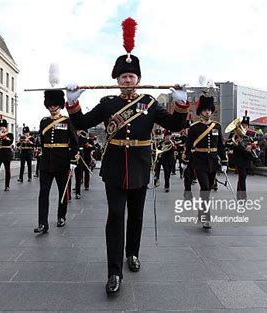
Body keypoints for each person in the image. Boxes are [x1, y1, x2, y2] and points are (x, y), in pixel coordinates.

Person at [65, 18, 189, 294]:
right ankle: (113, 272)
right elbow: (82, 123)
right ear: (117, 80)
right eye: (123, 77)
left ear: (138, 79)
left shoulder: (149, 103)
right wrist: (72, 103)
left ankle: (132, 253)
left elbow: (176, 126)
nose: (128, 80)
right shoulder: (107, 103)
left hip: (141, 165)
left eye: (132, 77)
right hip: (114, 167)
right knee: (115, 217)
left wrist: (181, 103)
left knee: (136, 216)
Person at [34, 90, 80, 234]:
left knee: (63, 191)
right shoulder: (44, 121)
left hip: (62, 161)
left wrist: (73, 160)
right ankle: (42, 223)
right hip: (46, 162)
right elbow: (42, 141)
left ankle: (61, 216)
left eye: (55, 105)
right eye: (50, 105)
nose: (53, 108)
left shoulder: (67, 121)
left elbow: (74, 141)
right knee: (43, 193)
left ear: (60, 106)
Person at [183, 94, 227, 229]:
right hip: (199, 161)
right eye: (205, 110)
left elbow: (220, 146)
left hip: (213, 161)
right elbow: (189, 144)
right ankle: (206, 217)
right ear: (200, 111)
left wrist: (224, 161)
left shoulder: (217, 126)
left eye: (209, 110)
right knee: (205, 188)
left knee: (207, 189)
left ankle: (201, 212)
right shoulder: (195, 127)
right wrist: (186, 158)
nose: (207, 112)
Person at [228, 113, 256, 200]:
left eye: (246, 126)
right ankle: (242, 197)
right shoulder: (235, 135)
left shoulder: (250, 135)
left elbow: (255, 145)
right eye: (243, 126)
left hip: (247, 159)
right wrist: (241, 146)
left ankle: (240, 194)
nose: (245, 127)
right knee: (242, 177)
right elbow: (231, 145)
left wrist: (251, 146)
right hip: (239, 159)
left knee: (243, 178)